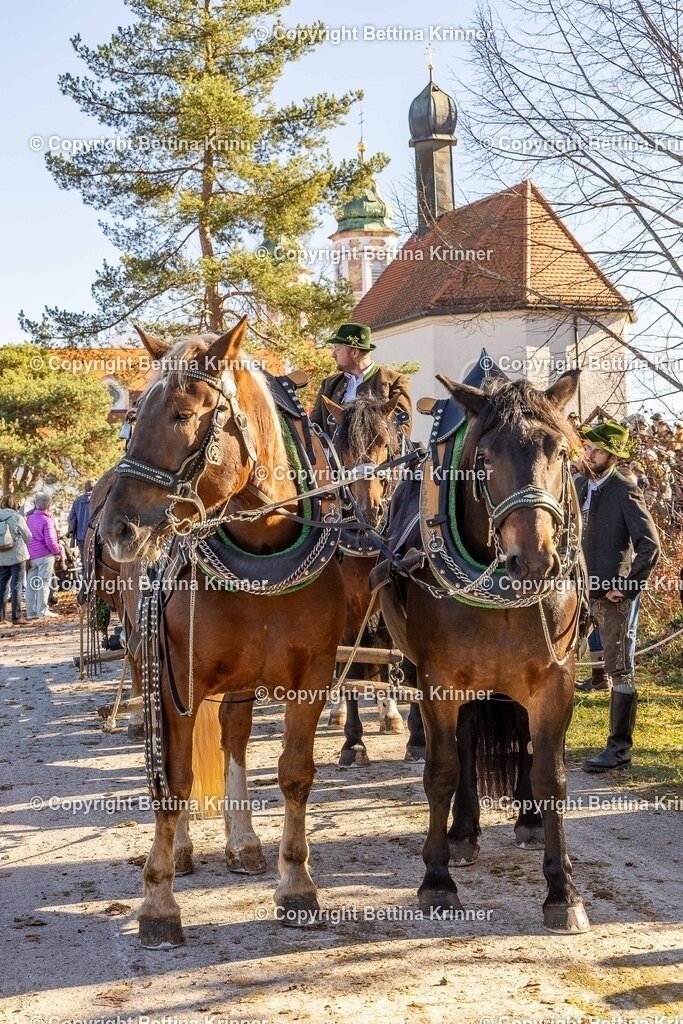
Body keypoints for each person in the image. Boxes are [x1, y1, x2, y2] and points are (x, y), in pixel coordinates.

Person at [575, 421, 660, 772]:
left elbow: (649, 546)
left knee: (620, 670)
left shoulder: (624, 489)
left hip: (613, 597)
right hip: (577, 592)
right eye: (586, 448)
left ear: (611, 455)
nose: (588, 453)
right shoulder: (579, 484)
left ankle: (619, 750)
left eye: (595, 450)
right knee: (559, 664)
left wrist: (626, 586)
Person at [310, 323, 412, 437]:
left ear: (354, 352)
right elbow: (314, 426)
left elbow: (402, 429)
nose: (333, 355)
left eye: (337, 349)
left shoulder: (394, 381)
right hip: (333, 454)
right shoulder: (329, 384)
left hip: (375, 453)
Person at [25, 493, 62, 620]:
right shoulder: (47, 520)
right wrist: (58, 552)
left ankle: (31, 612)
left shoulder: (28, 519)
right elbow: (51, 541)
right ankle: (42, 610)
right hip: (45, 556)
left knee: (31, 584)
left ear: (35, 504)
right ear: (49, 505)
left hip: (31, 556)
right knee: (43, 583)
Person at [0, 496, 32, 625]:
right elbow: (28, 537)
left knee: (2, 587)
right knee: (16, 586)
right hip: (17, 556)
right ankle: (16, 617)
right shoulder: (17, 517)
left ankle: (1, 618)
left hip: (1, 557)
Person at [67, 479, 94, 572]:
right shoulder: (97, 499)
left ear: (85, 488)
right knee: (96, 561)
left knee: (84, 561)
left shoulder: (77, 501)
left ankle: (85, 583)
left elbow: (70, 518)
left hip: (81, 536)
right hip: (95, 534)